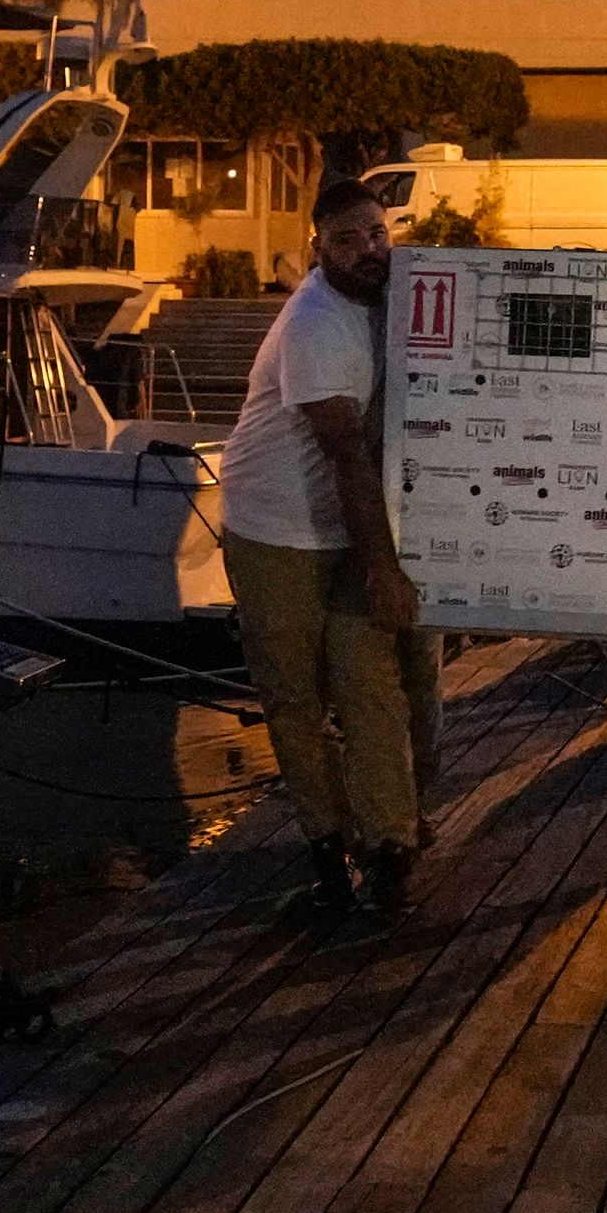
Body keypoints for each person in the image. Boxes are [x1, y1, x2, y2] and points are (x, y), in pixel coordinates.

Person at [215, 177, 425, 914]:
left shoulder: (389, 302)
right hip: (278, 531)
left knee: (370, 687)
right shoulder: (316, 324)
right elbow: (345, 455)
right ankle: (328, 860)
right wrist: (384, 568)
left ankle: (392, 848)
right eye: (347, 240)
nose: (369, 250)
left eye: (377, 233)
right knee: (297, 700)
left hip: (349, 522)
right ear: (318, 249)